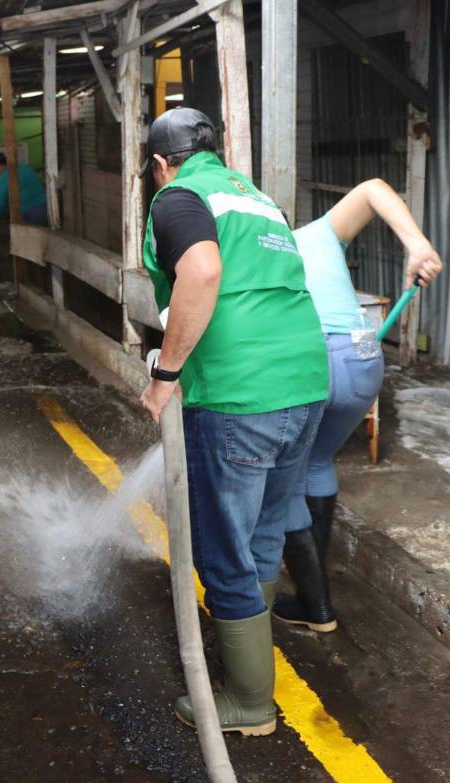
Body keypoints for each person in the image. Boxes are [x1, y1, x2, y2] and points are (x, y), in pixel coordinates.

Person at [138, 107, 328, 737]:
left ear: (161, 163)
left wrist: (166, 375)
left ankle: (248, 702)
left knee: (223, 548)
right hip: (306, 383)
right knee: (265, 531)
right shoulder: (256, 200)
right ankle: (254, 661)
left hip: (239, 394)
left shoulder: (178, 196)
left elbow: (202, 270)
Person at [273, 180, 443, 634]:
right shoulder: (319, 233)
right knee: (316, 461)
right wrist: (417, 245)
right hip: (363, 360)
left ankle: (315, 604)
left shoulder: (255, 253)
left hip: (310, 361)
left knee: (283, 478)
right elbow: (372, 190)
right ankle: (311, 590)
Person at [0, 151, 48, 226]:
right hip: (46, 205)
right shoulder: (24, 167)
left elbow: (0, 205)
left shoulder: (1, 179)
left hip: (29, 212)